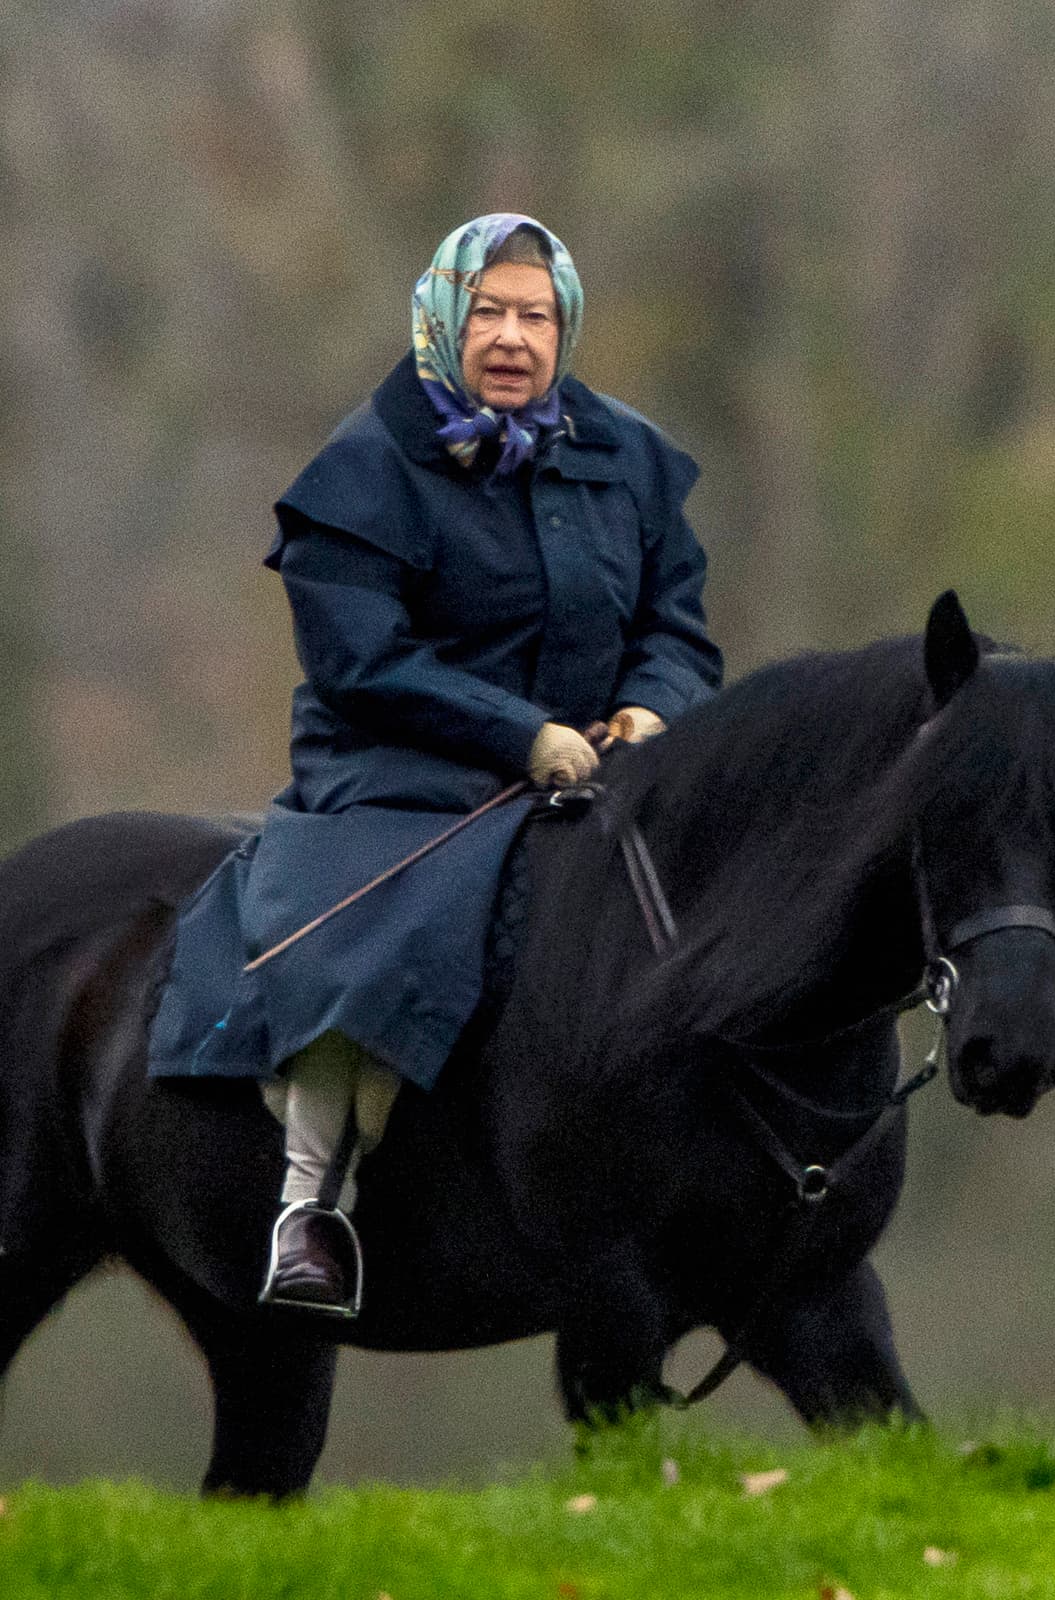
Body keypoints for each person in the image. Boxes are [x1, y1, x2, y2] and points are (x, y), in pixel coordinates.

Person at [148, 212, 722, 1314]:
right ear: (445, 320)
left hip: (599, 765)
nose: (512, 337)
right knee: (381, 928)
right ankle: (308, 1208)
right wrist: (521, 736)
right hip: (398, 769)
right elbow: (360, 659)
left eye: (536, 316)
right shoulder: (365, 464)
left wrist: (652, 707)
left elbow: (677, 624)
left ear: (565, 331)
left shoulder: (629, 456)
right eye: (490, 313)